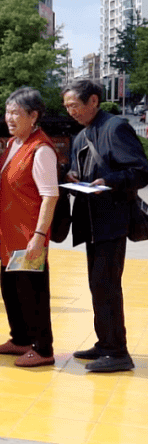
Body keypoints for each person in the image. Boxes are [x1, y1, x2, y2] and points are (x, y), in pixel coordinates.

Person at [63, 78, 148, 372]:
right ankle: (105, 342)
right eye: (67, 107)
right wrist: (75, 176)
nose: (71, 111)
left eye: (75, 105)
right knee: (97, 286)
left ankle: (117, 351)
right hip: (91, 221)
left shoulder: (115, 128)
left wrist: (108, 181)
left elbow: (140, 171)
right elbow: (82, 169)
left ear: (94, 101)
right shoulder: (81, 135)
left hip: (112, 221)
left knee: (107, 285)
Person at [0, 87, 59, 368]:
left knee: (33, 292)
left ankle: (43, 348)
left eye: (17, 113)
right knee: (11, 289)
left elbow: (50, 196)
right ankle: (20, 338)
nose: (10, 118)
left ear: (33, 115)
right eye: (8, 112)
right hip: (8, 235)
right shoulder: (13, 144)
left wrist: (39, 235)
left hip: (28, 235)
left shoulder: (40, 150)